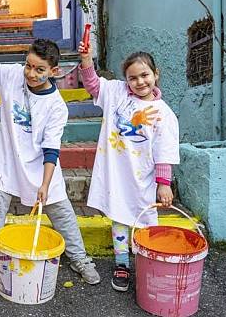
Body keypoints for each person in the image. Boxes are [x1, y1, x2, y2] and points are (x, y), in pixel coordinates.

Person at [0, 35, 101, 285]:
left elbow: (51, 150)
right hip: (8, 160)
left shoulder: (57, 107)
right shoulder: (13, 75)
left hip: (42, 168)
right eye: (28, 65)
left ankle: (80, 258)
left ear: (54, 71)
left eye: (39, 69)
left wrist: (45, 185)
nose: (31, 73)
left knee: (63, 212)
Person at [78, 43, 180, 292]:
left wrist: (163, 185)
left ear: (156, 73)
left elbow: (163, 152)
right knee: (119, 220)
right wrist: (86, 59)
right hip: (117, 174)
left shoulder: (163, 114)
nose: (139, 82)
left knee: (145, 220)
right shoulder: (117, 93)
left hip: (142, 178)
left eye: (144, 75)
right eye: (132, 77)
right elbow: (93, 85)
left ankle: (148, 264)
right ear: (126, 80)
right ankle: (122, 264)